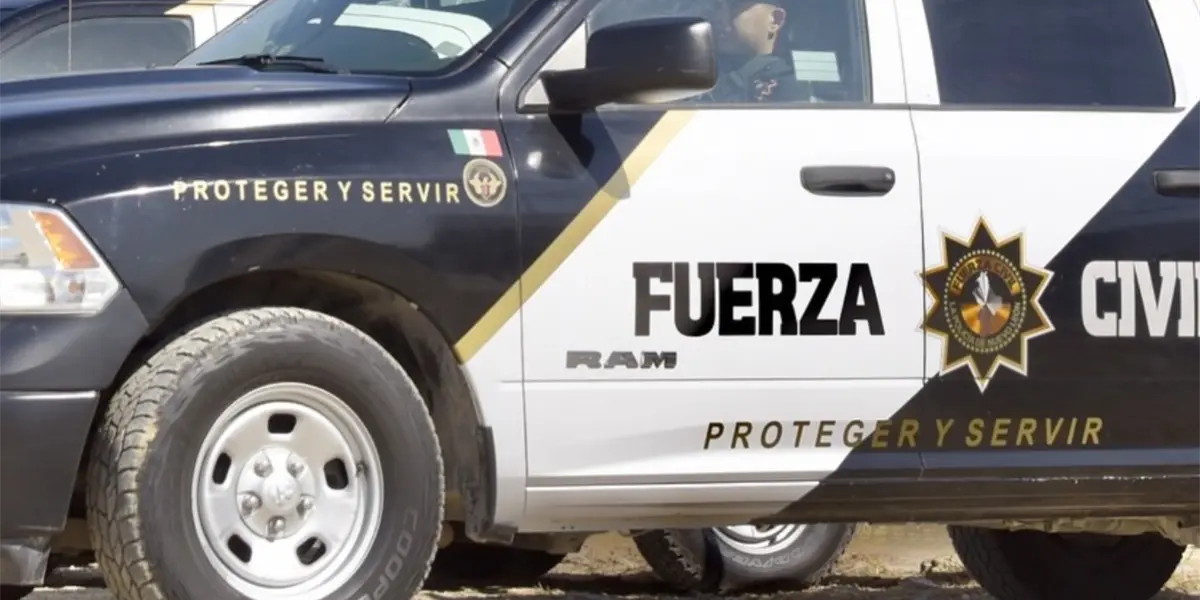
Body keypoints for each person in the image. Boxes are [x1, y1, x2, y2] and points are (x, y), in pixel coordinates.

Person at [692, 0, 803, 103]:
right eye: (717, 7)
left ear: (775, 20)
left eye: (734, 6)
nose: (718, 17)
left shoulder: (788, 82)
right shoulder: (696, 69)